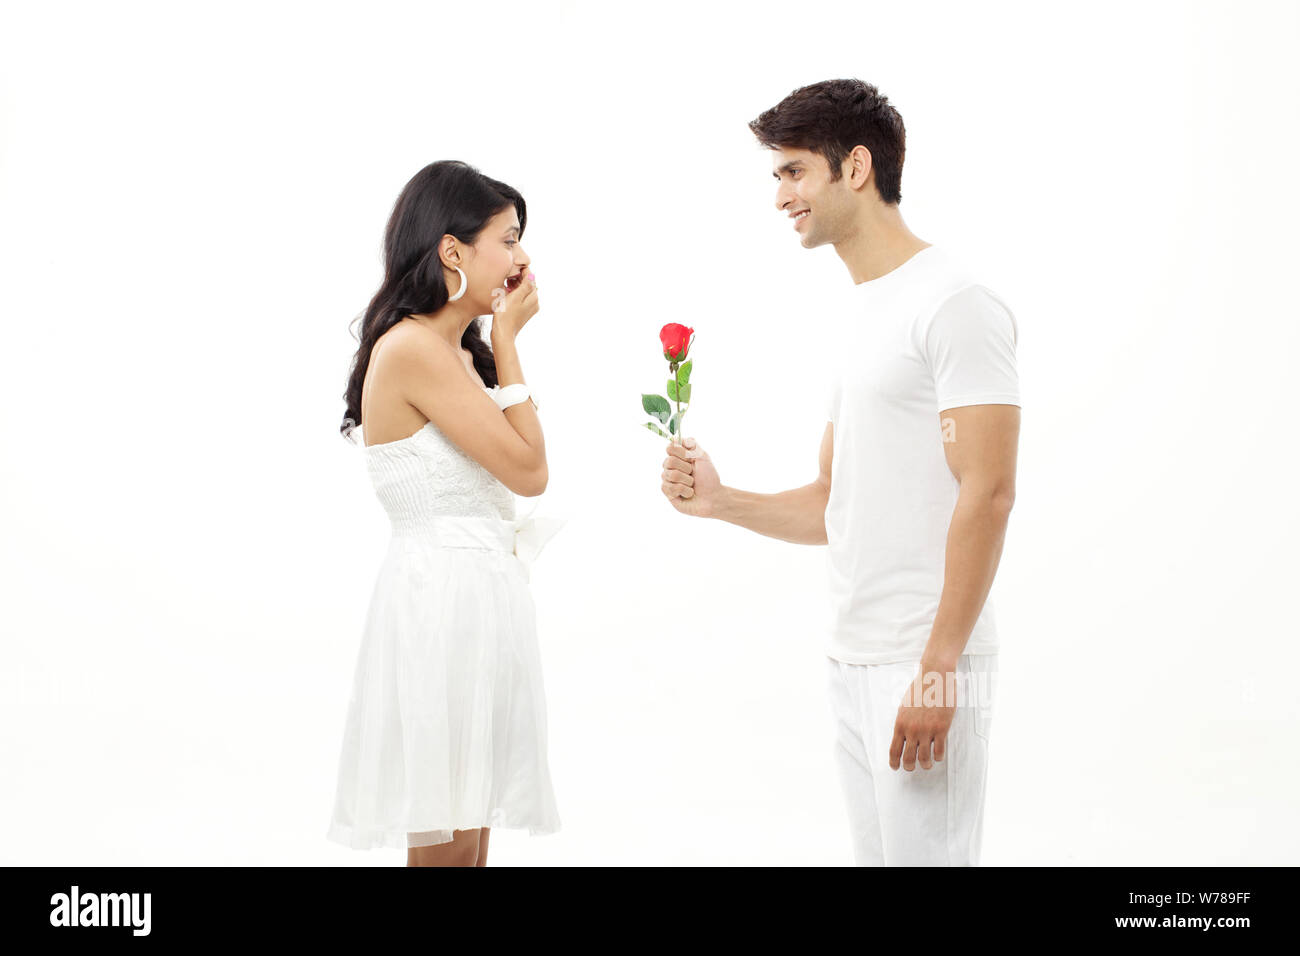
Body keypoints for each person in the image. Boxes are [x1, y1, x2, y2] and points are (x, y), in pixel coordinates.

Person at [660, 79, 1021, 866]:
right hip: (855, 655)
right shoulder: (866, 313)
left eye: (794, 172)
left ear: (855, 167)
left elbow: (989, 492)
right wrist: (722, 502)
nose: (781, 195)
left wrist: (936, 667)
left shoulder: (956, 302)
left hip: (924, 658)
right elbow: (834, 504)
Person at [327, 160, 562, 866]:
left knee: (470, 844)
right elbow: (531, 471)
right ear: (453, 252)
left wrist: (498, 352)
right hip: (441, 604)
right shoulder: (413, 349)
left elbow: (522, 467)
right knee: (448, 850)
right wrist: (513, 344)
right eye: (509, 239)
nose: (521, 260)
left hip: (478, 599)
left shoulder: (459, 354)